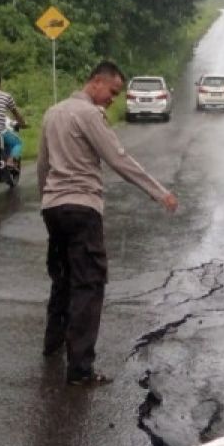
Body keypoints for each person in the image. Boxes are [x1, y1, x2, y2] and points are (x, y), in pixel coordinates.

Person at [37, 60, 179, 386]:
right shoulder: (89, 115)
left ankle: (52, 344)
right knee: (89, 283)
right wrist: (159, 192)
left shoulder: (52, 112)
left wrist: (46, 201)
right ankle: (80, 368)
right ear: (96, 82)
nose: (112, 99)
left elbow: (43, 164)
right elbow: (118, 159)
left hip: (54, 207)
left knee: (62, 276)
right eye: (112, 91)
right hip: (82, 207)